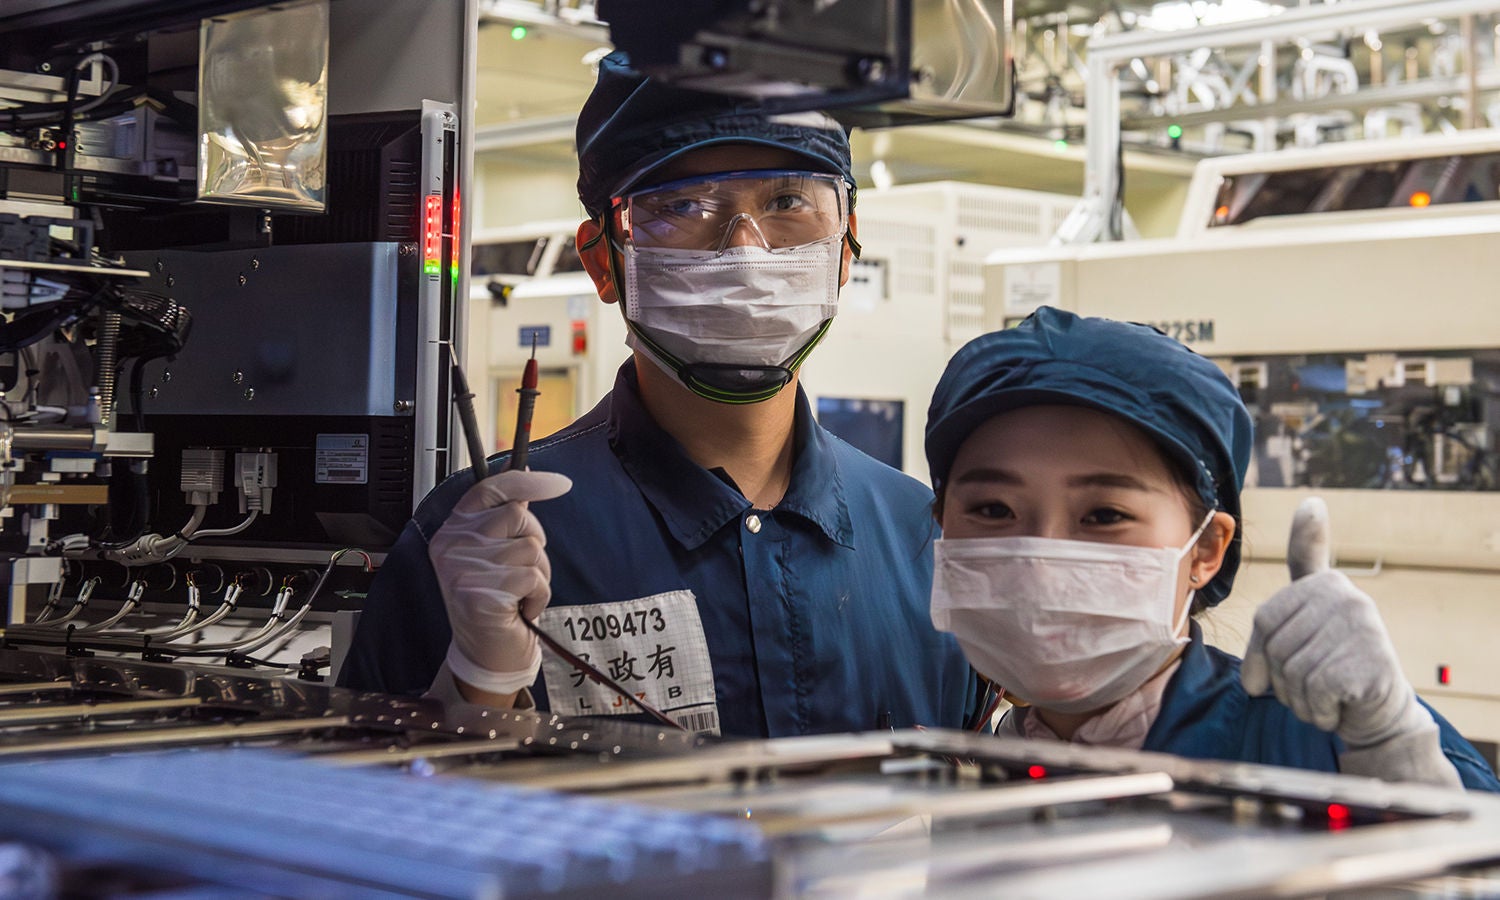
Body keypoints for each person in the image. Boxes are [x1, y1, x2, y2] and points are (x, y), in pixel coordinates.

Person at [338, 52, 972, 738]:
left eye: (787, 203)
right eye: (682, 207)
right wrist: (475, 682)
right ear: (602, 261)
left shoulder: (920, 537)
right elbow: (370, 794)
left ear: (846, 247)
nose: (745, 250)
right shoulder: (485, 544)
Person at [924, 306, 1499, 790]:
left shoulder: (1321, 743)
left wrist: (1394, 749)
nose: (1040, 564)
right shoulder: (979, 766)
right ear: (941, 524)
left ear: (1206, 550)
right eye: (993, 510)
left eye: (1104, 516)